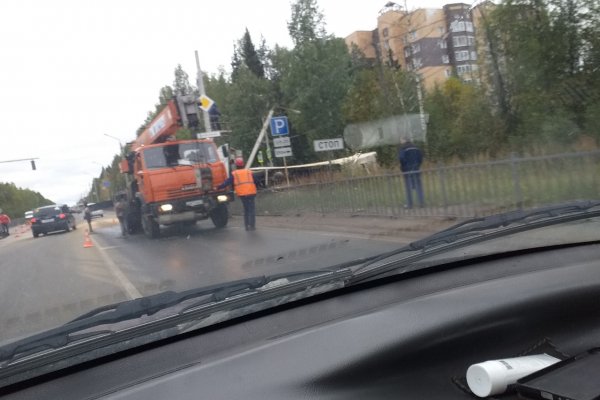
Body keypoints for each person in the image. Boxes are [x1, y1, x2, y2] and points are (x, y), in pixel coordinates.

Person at [217, 158, 259, 231]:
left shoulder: (234, 174)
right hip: (251, 193)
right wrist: (259, 186)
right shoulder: (249, 172)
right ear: (244, 164)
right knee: (251, 209)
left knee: (246, 209)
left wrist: (219, 187)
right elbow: (256, 181)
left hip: (243, 194)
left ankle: (247, 226)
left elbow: (227, 182)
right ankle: (252, 226)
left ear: (236, 165)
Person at [398, 137, 425, 209]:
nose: (400, 141)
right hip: (416, 169)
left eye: (401, 140)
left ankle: (410, 204)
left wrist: (403, 167)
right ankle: (421, 203)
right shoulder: (416, 147)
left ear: (404, 140)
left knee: (408, 188)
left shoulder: (403, 148)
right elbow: (420, 158)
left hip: (407, 170)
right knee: (418, 186)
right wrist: (418, 165)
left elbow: (401, 158)